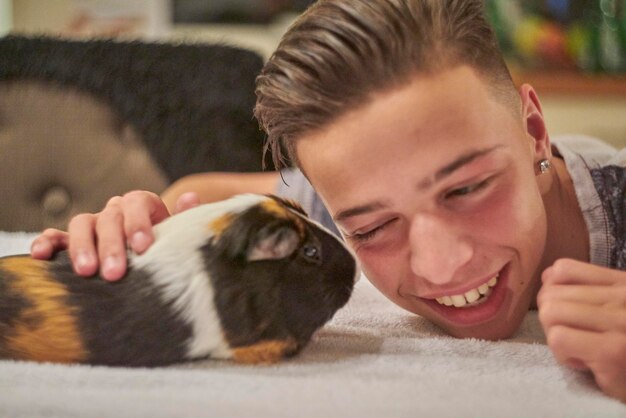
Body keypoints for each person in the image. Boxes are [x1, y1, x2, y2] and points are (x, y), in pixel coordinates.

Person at [30, 0, 625, 402]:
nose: (443, 266)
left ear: (535, 130)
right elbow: (200, 194)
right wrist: (139, 226)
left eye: (466, 188)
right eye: (370, 229)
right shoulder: (334, 200)